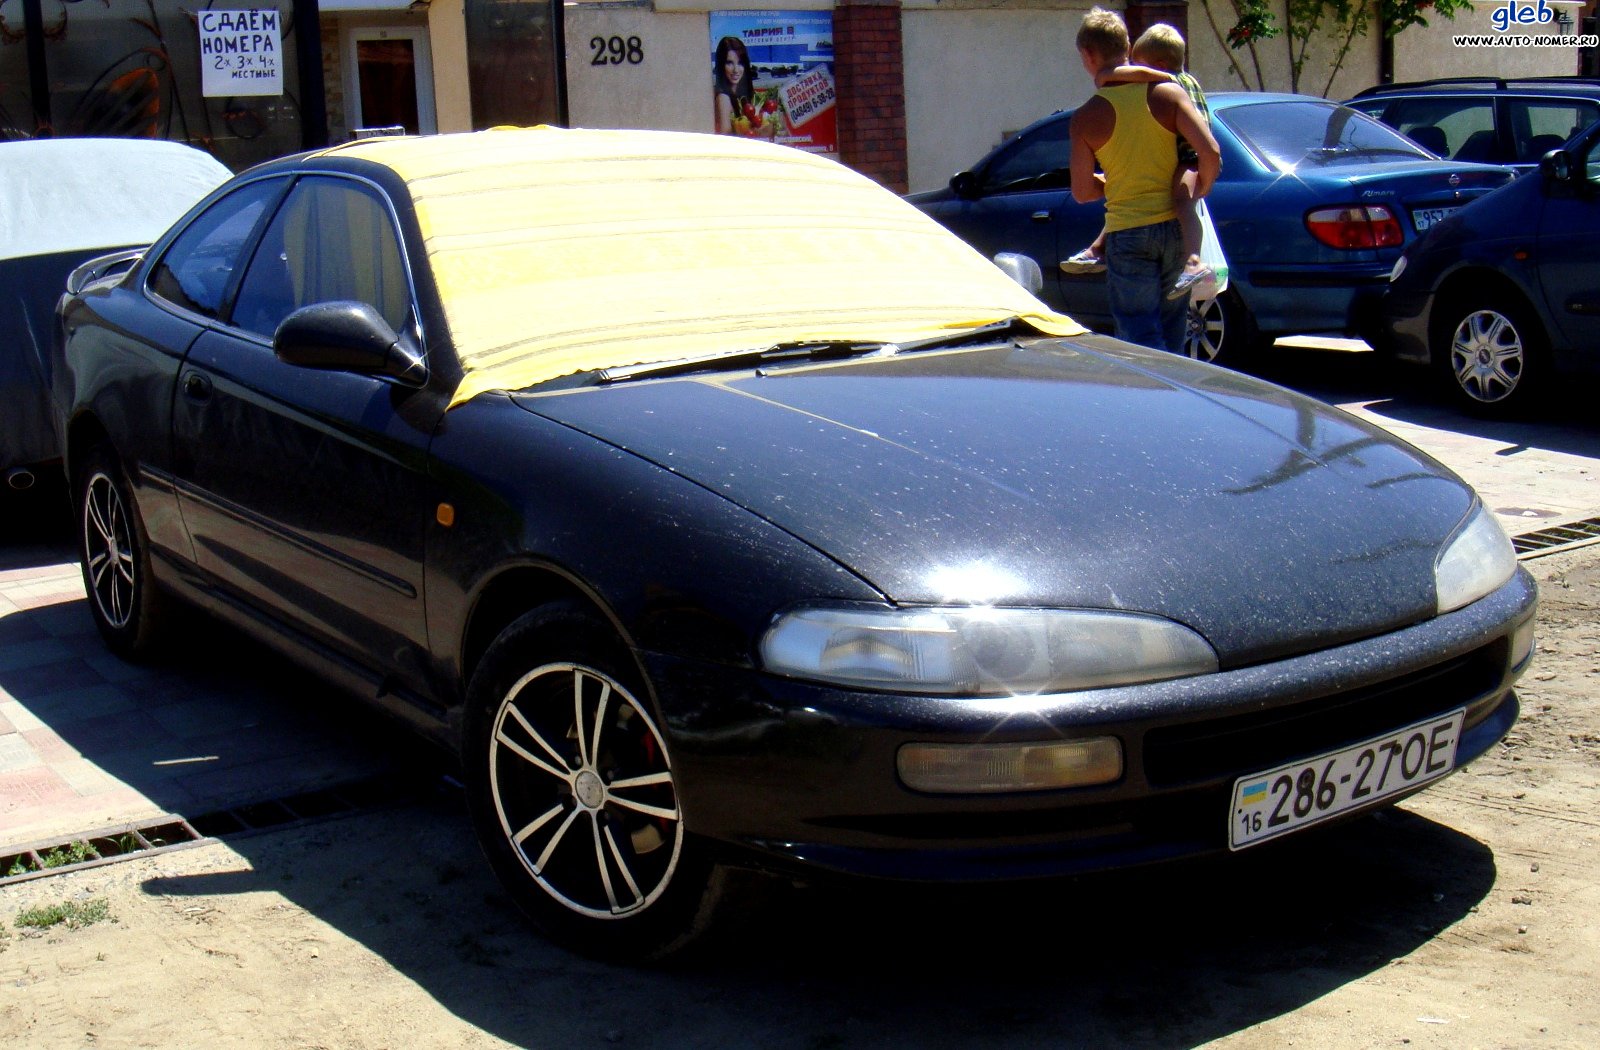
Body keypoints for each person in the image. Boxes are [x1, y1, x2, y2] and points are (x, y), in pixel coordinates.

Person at [1067, 8, 1220, 355]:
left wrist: (1116, 182)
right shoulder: (1169, 93)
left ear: (1089, 55)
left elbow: (1081, 191)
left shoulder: (1086, 118)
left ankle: (1152, 405)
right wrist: (1203, 187)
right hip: (1175, 228)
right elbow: (1210, 152)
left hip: (1127, 231)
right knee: (1172, 334)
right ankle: (1175, 405)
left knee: (1140, 339)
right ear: (1126, 45)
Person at [713, 36, 756, 136]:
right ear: (721, 65)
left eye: (740, 63)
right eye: (729, 63)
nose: (736, 70)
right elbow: (726, 139)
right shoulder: (723, 98)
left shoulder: (742, 94)